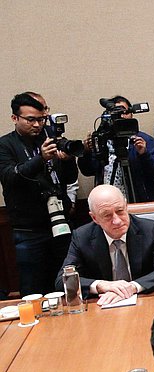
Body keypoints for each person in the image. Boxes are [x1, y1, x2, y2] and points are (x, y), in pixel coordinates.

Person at [0, 92, 78, 295]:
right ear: (14, 118)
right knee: (34, 290)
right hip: (29, 231)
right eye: (30, 119)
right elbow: (11, 177)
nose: (37, 125)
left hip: (60, 223)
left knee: (68, 284)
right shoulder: (5, 145)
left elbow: (68, 178)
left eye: (41, 119)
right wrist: (40, 159)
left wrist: (68, 159)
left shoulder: (51, 139)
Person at [55, 184, 154, 305]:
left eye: (120, 211)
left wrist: (132, 287)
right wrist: (101, 285)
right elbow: (63, 280)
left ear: (126, 205)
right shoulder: (82, 237)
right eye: (107, 215)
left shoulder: (149, 229)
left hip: (144, 301)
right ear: (94, 218)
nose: (117, 221)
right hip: (102, 305)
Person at [78, 95, 154, 203]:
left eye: (124, 112)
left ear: (132, 114)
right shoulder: (102, 140)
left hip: (140, 201)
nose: (121, 116)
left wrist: (144, 154)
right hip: (109, 203)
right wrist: (86, 152)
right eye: (116, 113)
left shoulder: (144, 140)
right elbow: (88, 170)